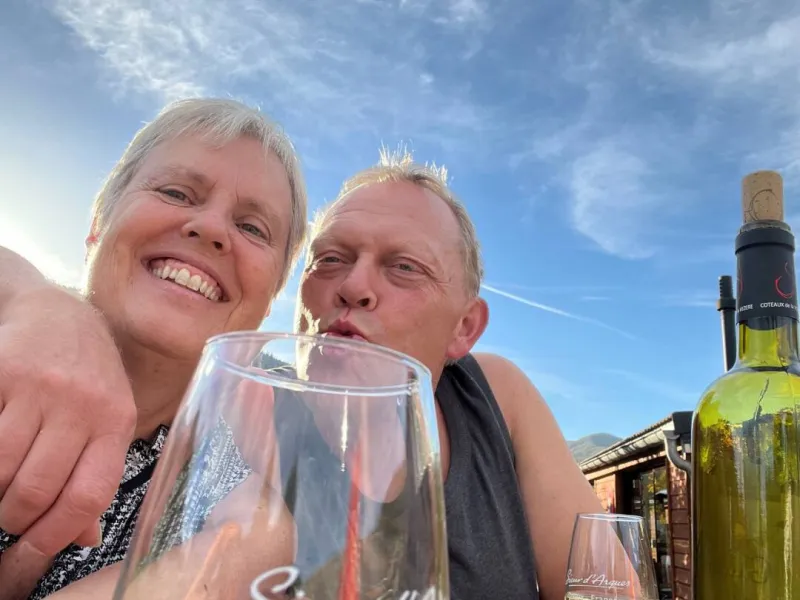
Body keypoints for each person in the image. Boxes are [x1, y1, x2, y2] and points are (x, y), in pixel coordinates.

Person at [0, 149, 603, 598]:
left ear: (464, 329)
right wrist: (42, 300)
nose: (354, 286)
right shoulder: (247, 408)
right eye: (330, 259)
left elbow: (603, 582)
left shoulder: (492, 396)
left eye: (404, 267)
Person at [0, 96, 309, 599]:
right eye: (175, 192)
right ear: (98, 224)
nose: (211, 228)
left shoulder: (236, 514)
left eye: (253, 228)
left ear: (270, 296)